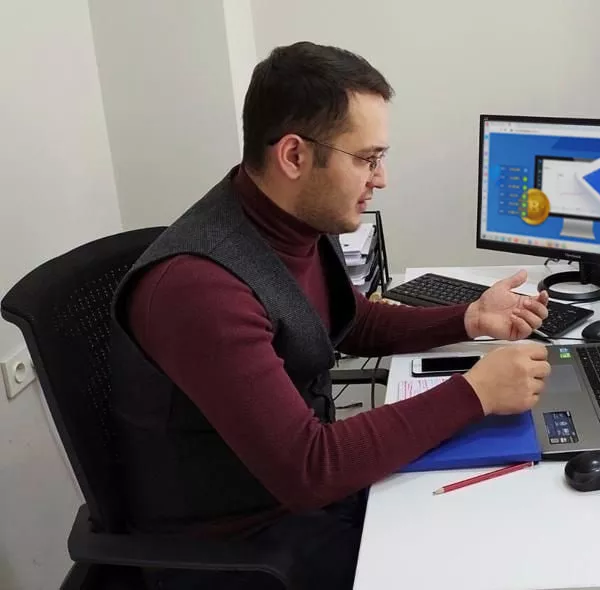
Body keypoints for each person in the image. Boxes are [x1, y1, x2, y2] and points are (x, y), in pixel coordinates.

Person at [108, 41, 552, 590]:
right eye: (367, 159)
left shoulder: (291, 221)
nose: (381, 179)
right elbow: (310, 470)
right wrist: (475, 393)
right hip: (245, 548)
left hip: (298, 501)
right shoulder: (200, 288)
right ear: (294, 156)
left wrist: (470, 319)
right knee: (477, 565)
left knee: (499, 523)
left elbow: (348, 320)